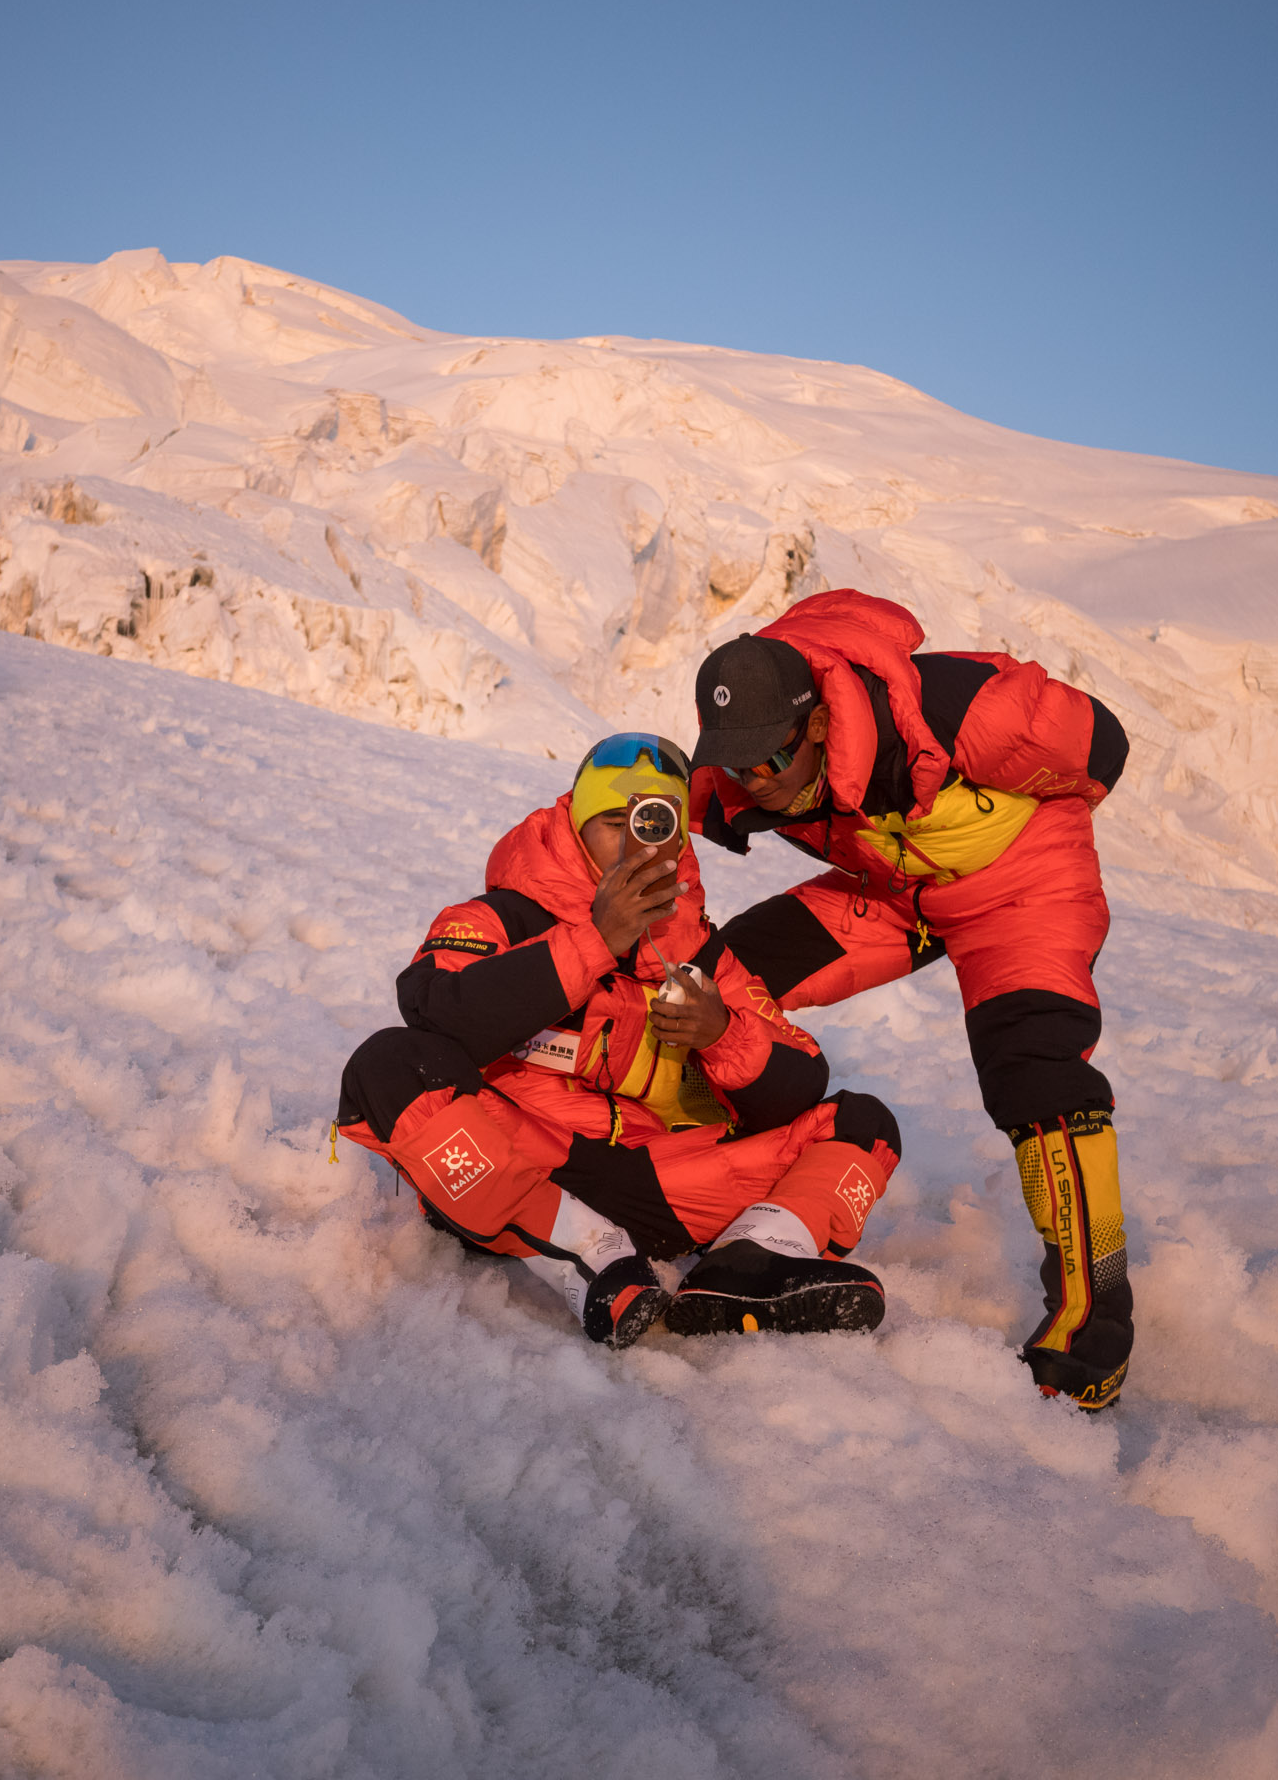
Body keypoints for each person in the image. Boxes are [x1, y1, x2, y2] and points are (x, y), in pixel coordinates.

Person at [684, 590, 1135, 1409]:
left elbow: (1101, 747)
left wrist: (993, 824)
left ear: (817, 724)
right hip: (893, 894)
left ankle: (1091, 1321)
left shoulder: (954, 710)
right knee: (724, 976)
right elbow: (636, 821)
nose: (751, 781)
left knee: (1033, 1070)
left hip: (1016, 883)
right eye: (734, 761)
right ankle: (698, 1182)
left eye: (766, 762)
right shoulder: (741, 771)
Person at [334, 732, 905, 1347]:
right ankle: (586, 1256)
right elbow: (437, 1013)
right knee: (389, 1065)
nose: (640, 845)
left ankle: (748, 1261)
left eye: (659, 825)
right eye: (616, 821)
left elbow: (800, 1079)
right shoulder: (501, 915)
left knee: (861, 1125)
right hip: (526, 1167)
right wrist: (593, 941)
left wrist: (722, 1034)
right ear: (576, 826)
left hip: (660, 1183)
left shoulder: (699, 950)